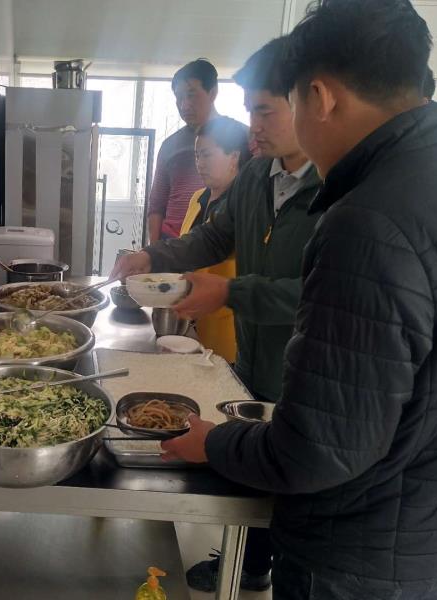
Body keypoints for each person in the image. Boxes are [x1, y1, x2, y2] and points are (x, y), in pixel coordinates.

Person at [162, 1, 437, 599]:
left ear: (319, 97)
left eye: (285, 104)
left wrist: (213, 442)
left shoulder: (369, 218)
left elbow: (316, 448)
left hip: (357, 551)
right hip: (435, 531)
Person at [111, 37, 322, 592]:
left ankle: (272, 564)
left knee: (296, 486)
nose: (253, 126)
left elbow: (322, 294)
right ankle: (249, 564)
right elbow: (213, 236)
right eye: (249, 110)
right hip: (254, 356)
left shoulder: (336, 188)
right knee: (252, 467)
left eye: (265, 111)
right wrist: (152, 255)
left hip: (306, 367)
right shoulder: (258, 176)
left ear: (309, 102)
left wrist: (230, 293)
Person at [180, 117, 251, 362]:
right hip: (189, 323)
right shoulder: (197, 198)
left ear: (234, 156)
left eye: (207, 155)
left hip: (225, 328)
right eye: (197, 155)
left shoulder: (246, 206)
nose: (199, 163)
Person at [147, 59, 218, 243]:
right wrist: (154, 251)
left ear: (212, 93)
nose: (184, 105)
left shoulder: (240, 139)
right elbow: (156, 205)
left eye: (191, 95)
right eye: (179, 97)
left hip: (216, 244)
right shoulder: (169, 145)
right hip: (171, 241)